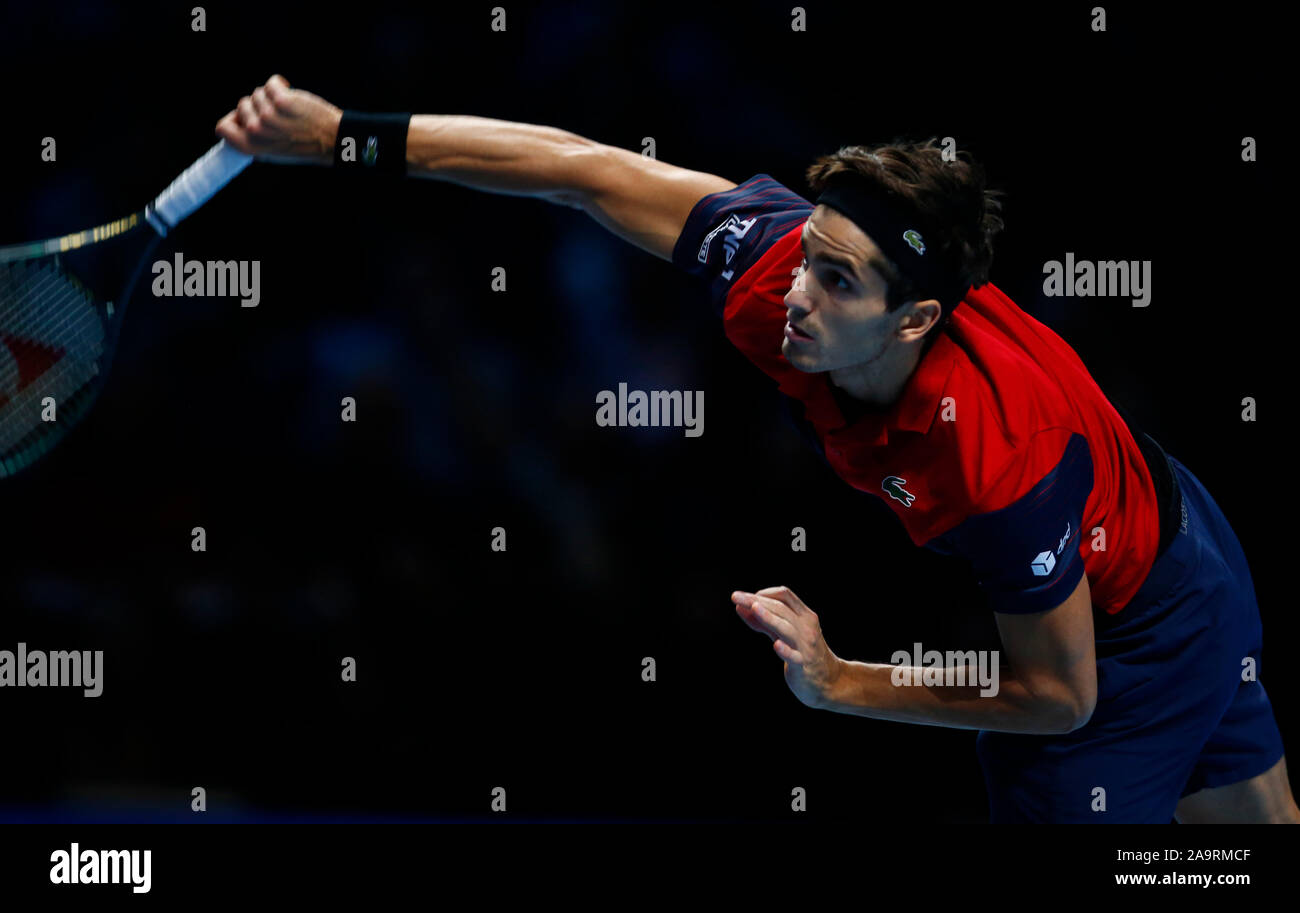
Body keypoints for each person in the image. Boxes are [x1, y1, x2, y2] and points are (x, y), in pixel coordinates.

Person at [215, 74, 1299, 823]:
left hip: (1138, 616)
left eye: (836, 282)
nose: (796, 294)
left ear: (913, 319)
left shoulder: (996, 458)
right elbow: (579, 170)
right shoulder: (772, 270)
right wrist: (341, 135)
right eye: (807, 256)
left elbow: (1062, 694)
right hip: (1170, 517)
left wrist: (843, 682)